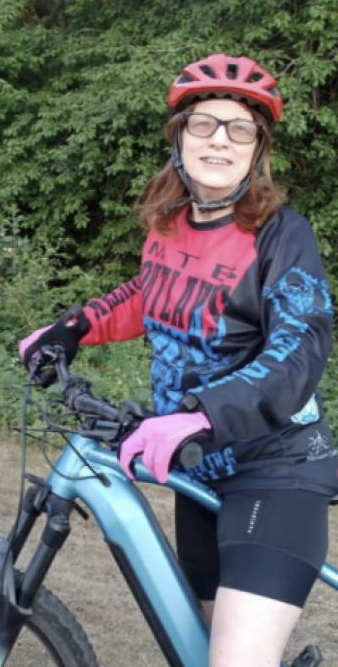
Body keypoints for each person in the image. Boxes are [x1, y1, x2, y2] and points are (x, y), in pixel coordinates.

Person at [20, 53, 338, 666]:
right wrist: (69, 329)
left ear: (257, 149)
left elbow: (299, 350)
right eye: (203, 124)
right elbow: (147, 294)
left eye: (239, 128)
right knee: (197, 647)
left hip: (274, 469)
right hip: (198, 468)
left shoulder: (281, 235)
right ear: (178, 140)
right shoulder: (169, 225)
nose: (219, 140)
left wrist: (197, 414)